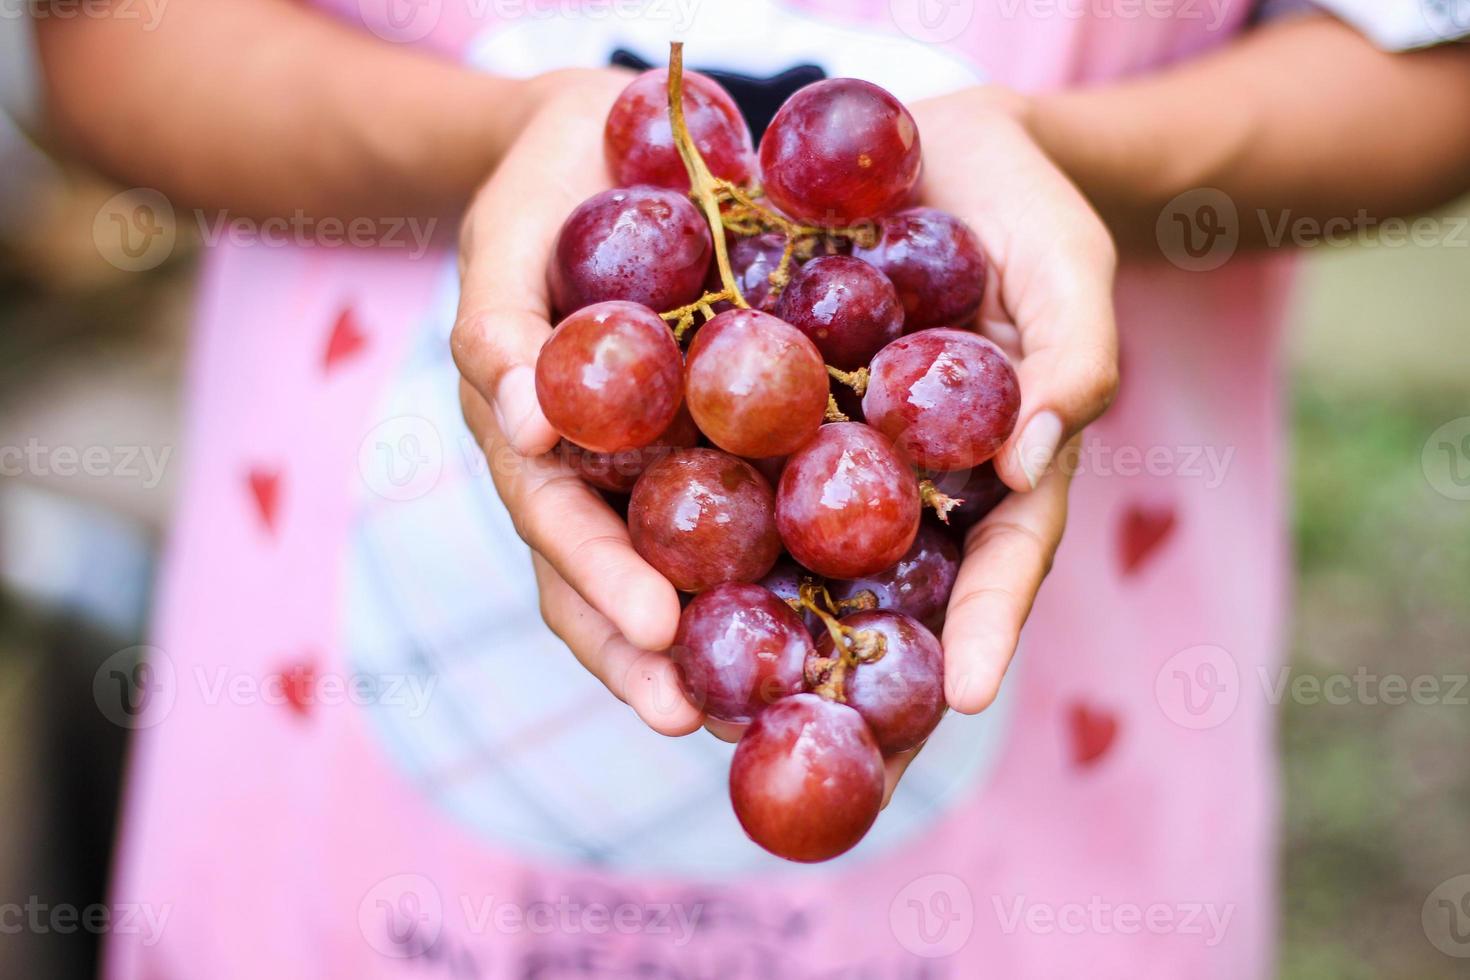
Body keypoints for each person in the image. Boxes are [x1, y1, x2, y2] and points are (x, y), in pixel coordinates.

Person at [33, 0, 1470, 975]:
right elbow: (99, 43)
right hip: (337, 748)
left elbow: (1428, 64)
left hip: (1057, 740)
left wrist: (1062, 162)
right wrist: (504, 140)